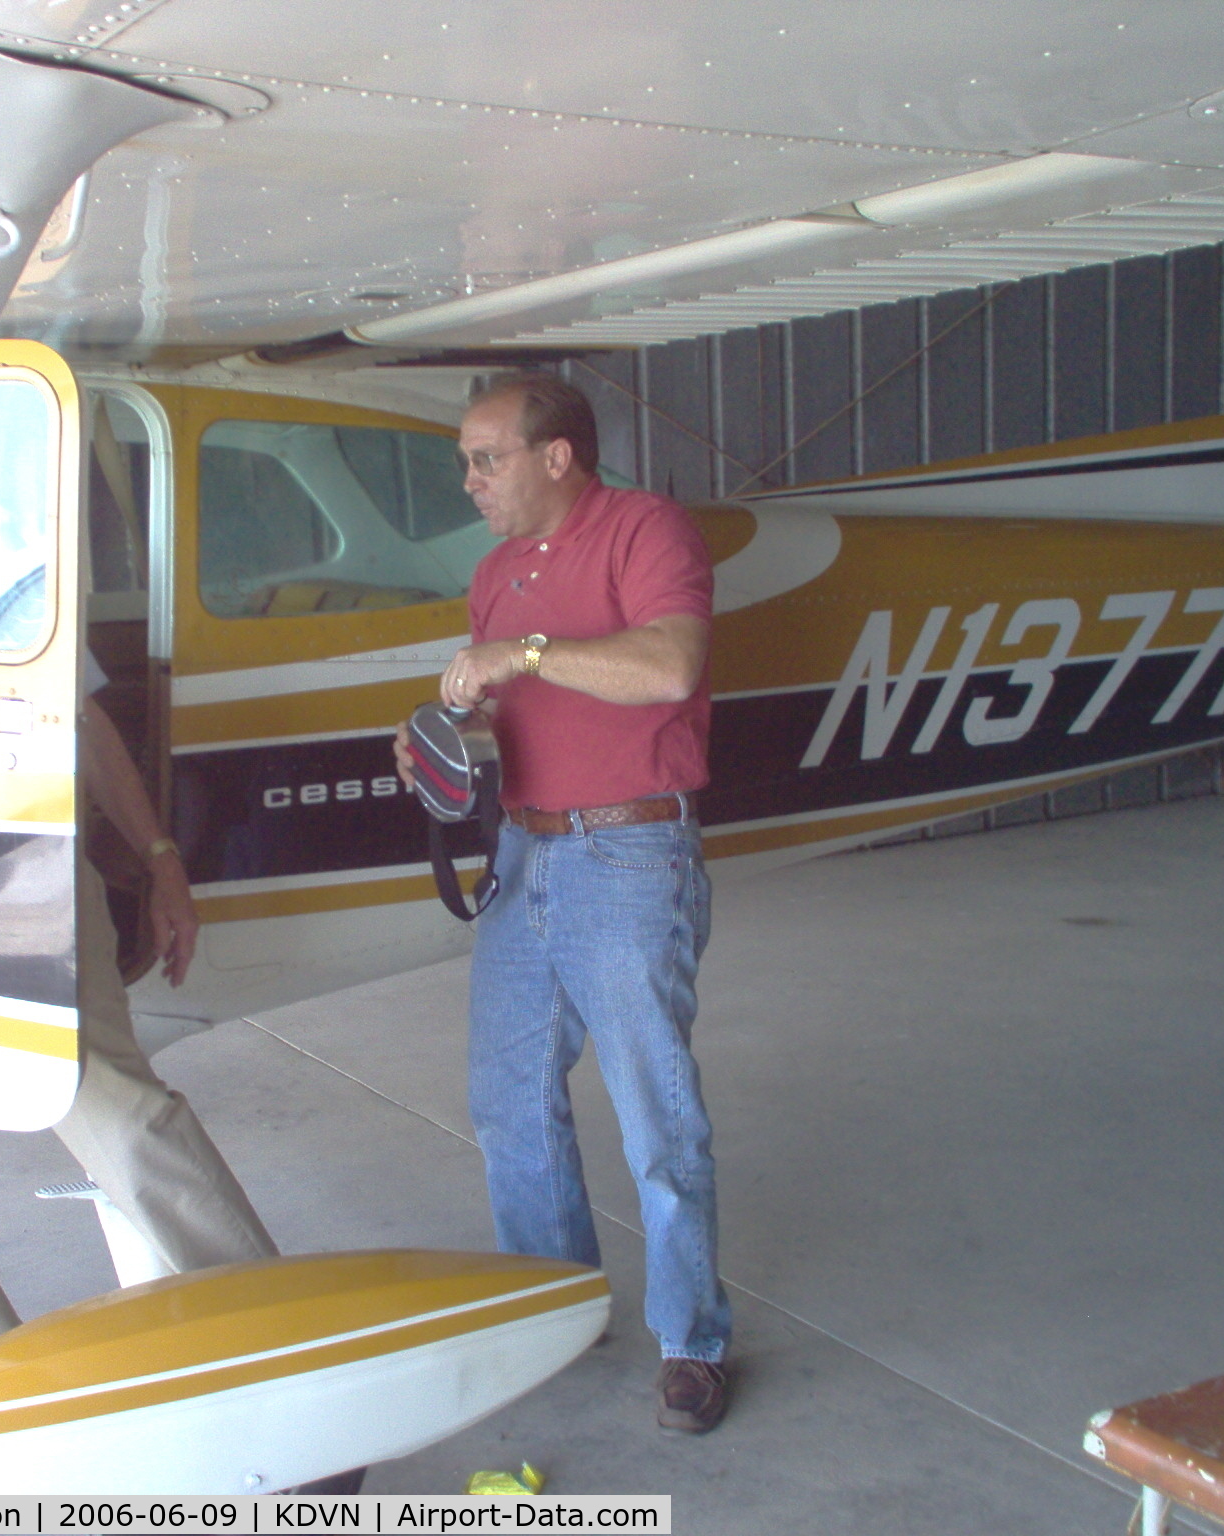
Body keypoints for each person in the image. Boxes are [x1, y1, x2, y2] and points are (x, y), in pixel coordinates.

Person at [396, 373, 731, 1434]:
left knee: (652, 1112)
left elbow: (670, 666)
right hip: (522, 851)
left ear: (556, 457)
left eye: (484, 458)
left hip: (627, 852)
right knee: (507, 1101)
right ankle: (555, 1312)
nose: (469, 481)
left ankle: (692, 1340)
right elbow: (508, 721)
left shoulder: (645, 532)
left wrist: (527, 652)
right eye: (464, 461)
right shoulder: (493, 574)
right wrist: (436, 752)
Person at [0, 673, 277, 1379]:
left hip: (14, 872)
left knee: (120, 1119)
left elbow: (81, 711)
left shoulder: (2, 563)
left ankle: (274, 1339)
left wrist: (161, 861)